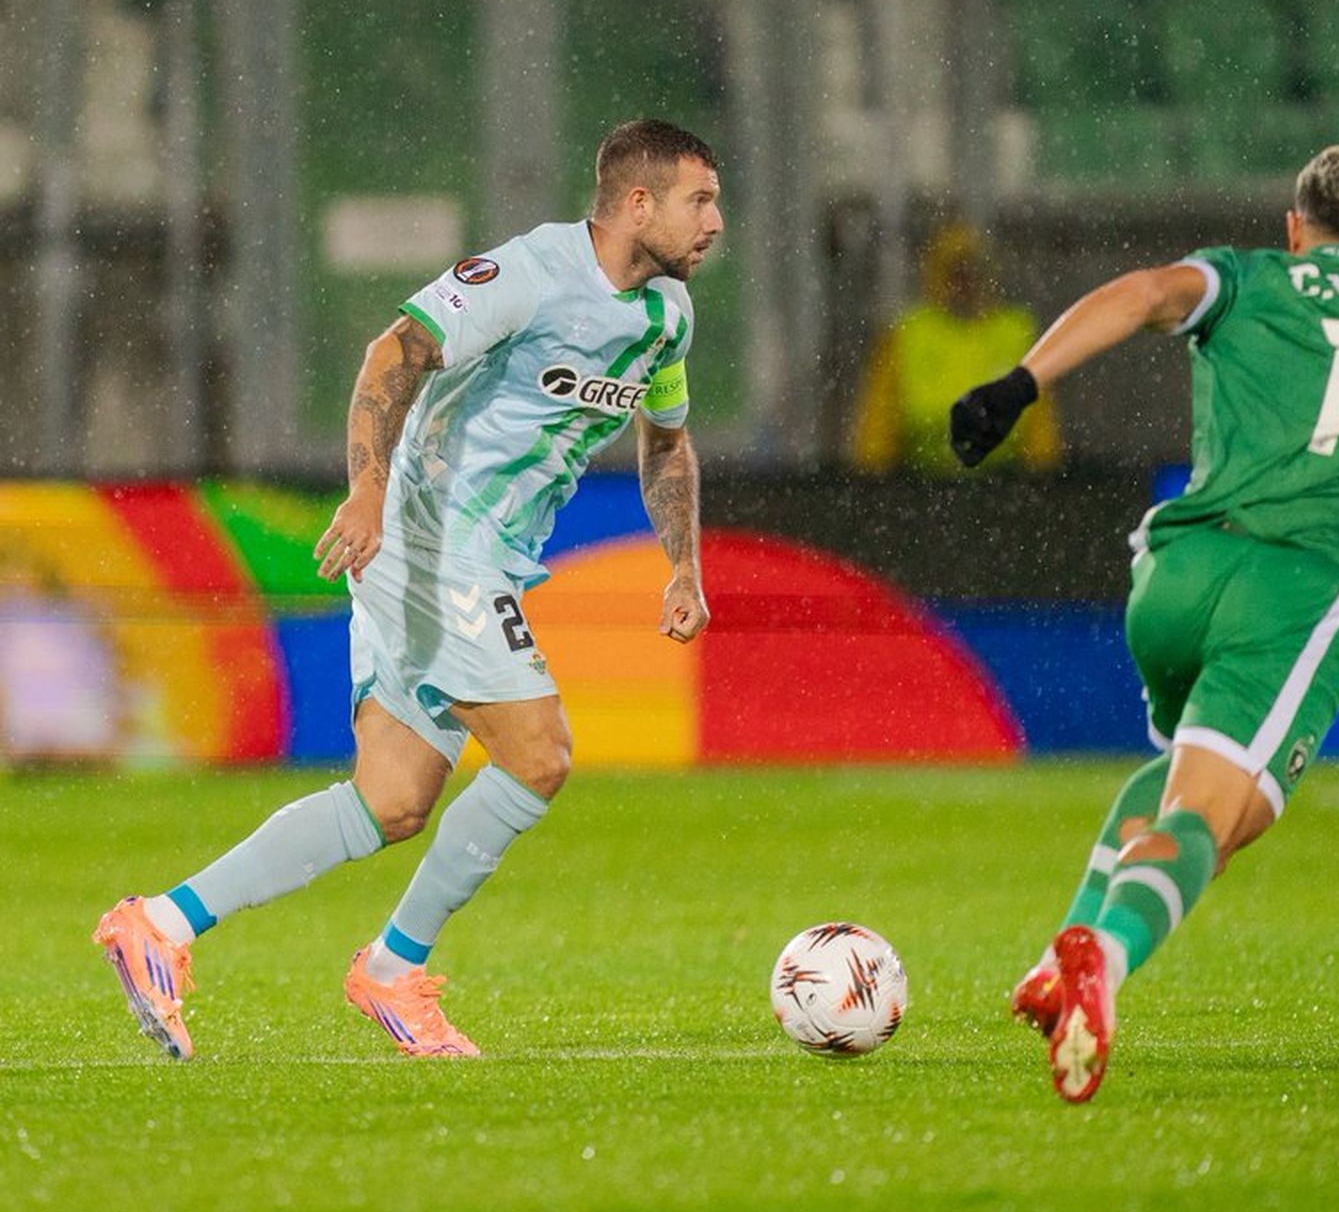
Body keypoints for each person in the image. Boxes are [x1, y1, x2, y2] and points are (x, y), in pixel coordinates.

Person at [95, 118, 724, 1060]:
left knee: (389, 801)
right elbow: (393, 353)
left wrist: (684, 563)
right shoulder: (529, 273)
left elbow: (665, 440)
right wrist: (369, 486)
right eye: (699, 201)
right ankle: (391, 970)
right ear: (638, 203)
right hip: (433, 541)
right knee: (540, 755)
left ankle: (161, 925)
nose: (716, 221)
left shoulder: (666, 316)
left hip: (484, 555)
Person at [949, 144, 1339, 1103]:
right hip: (1298, 590)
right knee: (1219, 818)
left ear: (1294, 226)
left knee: (1180, 774)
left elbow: (1146, 293)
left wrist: (1020, 384)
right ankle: (1103, 959)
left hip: (1175, 572)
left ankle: (1053, 962)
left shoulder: (1246, 275)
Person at [850, 223, 1060, 473]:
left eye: (973, 272)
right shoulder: (907, 335)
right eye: (956, 273)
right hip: (920, 482)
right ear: (936, 275)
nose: (965, 284)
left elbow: (1040, 427)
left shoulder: (1015, 332)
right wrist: (875, 481)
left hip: (1003, 483)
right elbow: (877, 425)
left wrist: (1043, 476)